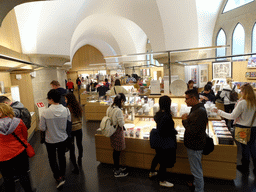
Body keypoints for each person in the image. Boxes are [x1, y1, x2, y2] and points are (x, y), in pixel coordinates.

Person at [213, 83, 256, 174]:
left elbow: (232, 116)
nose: (240, 93)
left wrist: (219, 112)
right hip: (254, 128)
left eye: (241, 91)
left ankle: (245, 167)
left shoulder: (242, 103)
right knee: (252, 147)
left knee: (245, 148)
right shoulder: (254, 101)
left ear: (244, 92)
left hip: (243, 128)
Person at [39, 89, 71, 189]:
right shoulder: (66, 110)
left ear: (51, 99)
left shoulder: (45, 112)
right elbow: (68, 125)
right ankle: (63, 174)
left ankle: (58, 177)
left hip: (50, 140)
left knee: (52, 159)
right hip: (62, 138)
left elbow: (42, 128)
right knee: (62, 157)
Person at [0, 103, 34, 192]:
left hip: (2, 155)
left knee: (7, 178)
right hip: (19, 151)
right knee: (23, 174)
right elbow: (24, 135)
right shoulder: (18, 121)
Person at [182, 89, 208, 192]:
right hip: (195, 144)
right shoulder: (196, 108)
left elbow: (192, 130)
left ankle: (199, 190)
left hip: (195, 145)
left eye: (186, 99)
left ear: (193, 98)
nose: (185, 101)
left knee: (196, 171)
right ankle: (196, 185)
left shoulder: (199, 111)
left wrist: (184, 120)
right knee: (196, 168)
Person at [149, 96, 177, 187]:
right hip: (165, 141)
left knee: (157, 157)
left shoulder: (159, 114)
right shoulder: (167, 116)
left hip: (158, 140)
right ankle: (162, 180)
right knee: (163, 161)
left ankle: (152, 172)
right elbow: (166, 131)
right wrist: (175, 131)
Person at [107, 93, 128, 177]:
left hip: (112, 130)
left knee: (115, 150)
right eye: (123, 102)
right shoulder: (118, 110)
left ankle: (116, 166)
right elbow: (121, 123)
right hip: (117, 131)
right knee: (118, 151)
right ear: (121, 101)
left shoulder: (110, 107)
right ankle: (117, 171)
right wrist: (124, 118)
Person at [65, 93, 83, 174]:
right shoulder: (78, 106)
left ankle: (75, 167)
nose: (65, 100)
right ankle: (80, 158)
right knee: (79, 144)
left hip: (71, 130)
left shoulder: (67, 109)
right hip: (79, 128)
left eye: (66, 99)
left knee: (72, 148)